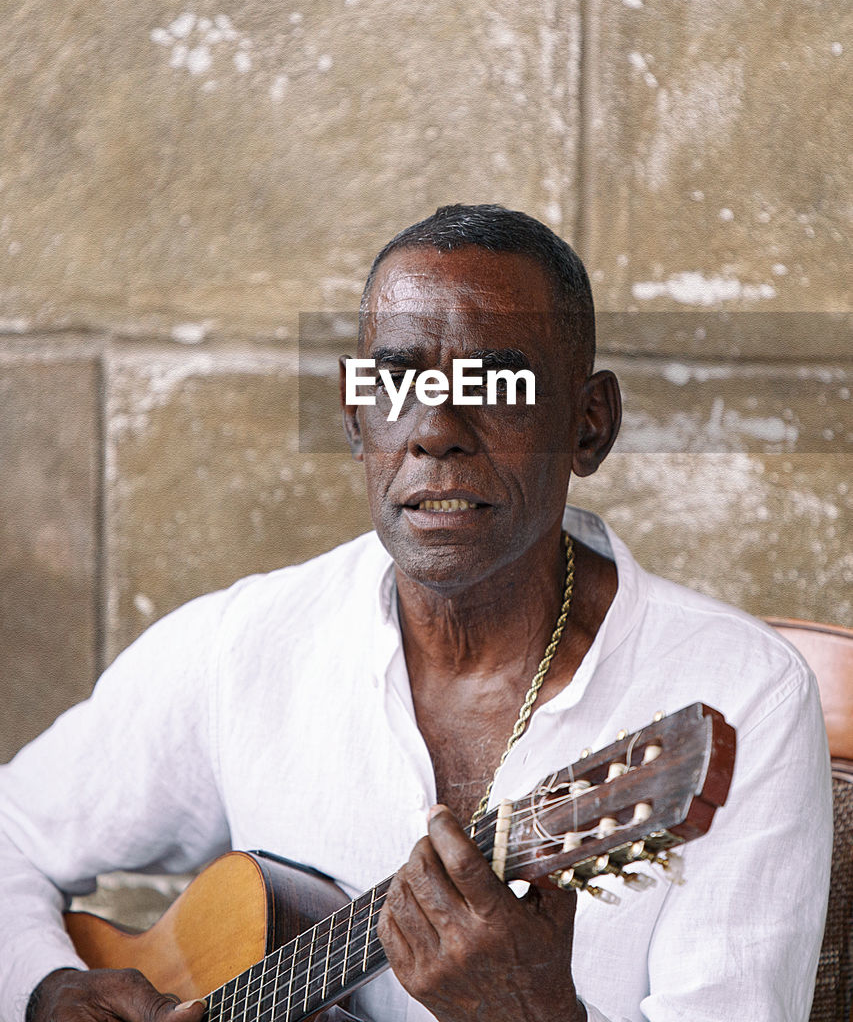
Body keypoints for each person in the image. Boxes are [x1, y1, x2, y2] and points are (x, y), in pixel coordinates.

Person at [0, 204, 832, 1022]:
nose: (436, 429)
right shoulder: (247, 645)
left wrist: (533, 1017)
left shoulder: (741, 695)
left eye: (497, 383)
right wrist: (46, 986)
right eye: (397, 380)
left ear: (589, 425)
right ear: (355, 418)